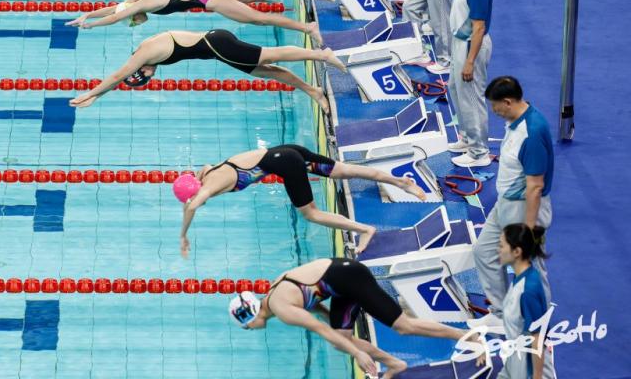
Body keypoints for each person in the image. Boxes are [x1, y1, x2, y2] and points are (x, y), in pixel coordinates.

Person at [230, 258, 474, 378]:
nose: (250, 329)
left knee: (404, 326)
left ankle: (465, 335)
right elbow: (313, 304)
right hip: (340, 285)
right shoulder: (274, 295)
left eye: (247, 326)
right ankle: (394, 364)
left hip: (352, 277)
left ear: (251, 316)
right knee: (342, 339)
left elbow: (321, 329)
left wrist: (357, 353)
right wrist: (336, 328)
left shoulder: (282, 309)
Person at [177, 143, 426, 258]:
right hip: (287, 150)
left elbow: (192, 206)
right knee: (343, 170)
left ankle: (364, 229)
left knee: (311, 214)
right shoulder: (207, 172)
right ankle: (399, 182)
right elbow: (201, 172)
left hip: (287, 163)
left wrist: (183, 235)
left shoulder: (209, 186)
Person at [68, 29, 346, 110]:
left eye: (146, 77)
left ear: (140, 71)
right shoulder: (145, 54)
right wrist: (98, 96)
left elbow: (118, 76)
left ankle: (320, 54)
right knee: (268, 71)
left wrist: (91, 94)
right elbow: (122, 77)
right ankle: (313, 91)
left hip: (218, 45)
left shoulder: (145, 54)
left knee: (270, 55)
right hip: (218, 48)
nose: (152, 76)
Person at [469, 77, 554, 333]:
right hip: (505, 204)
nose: (493, 111)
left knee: (531, 267)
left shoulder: (532, 132)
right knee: (484, 252)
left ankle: (538, 327)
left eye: (494, 106)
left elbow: (535, 186)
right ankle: (501, 313)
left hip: (524, 209)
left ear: (507, 102)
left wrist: (528, 230)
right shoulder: (514, 120)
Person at [66, 0, 335, 45]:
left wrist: (92, 26)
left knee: (259, 18)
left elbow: (117, 15)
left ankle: (307, 28)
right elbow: (117, 8)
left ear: (134, 15)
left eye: (134, 22)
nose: (137, 23)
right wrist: (87, 14)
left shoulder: (143, 5)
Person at [446, 0, 493, 168]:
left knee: (472, 99)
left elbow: (479, 27)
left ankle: (479, 152)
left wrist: (470, 61)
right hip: (460, 43)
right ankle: (467, 137)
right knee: (455, 89)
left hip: (470, 46)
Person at [494, 224, 557, 378]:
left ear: (517, 252)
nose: (497, 250)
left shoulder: (528, 290)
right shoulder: (522, 276)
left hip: (528, 368)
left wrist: (536, 376)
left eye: (501, 246)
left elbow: (537, 338)